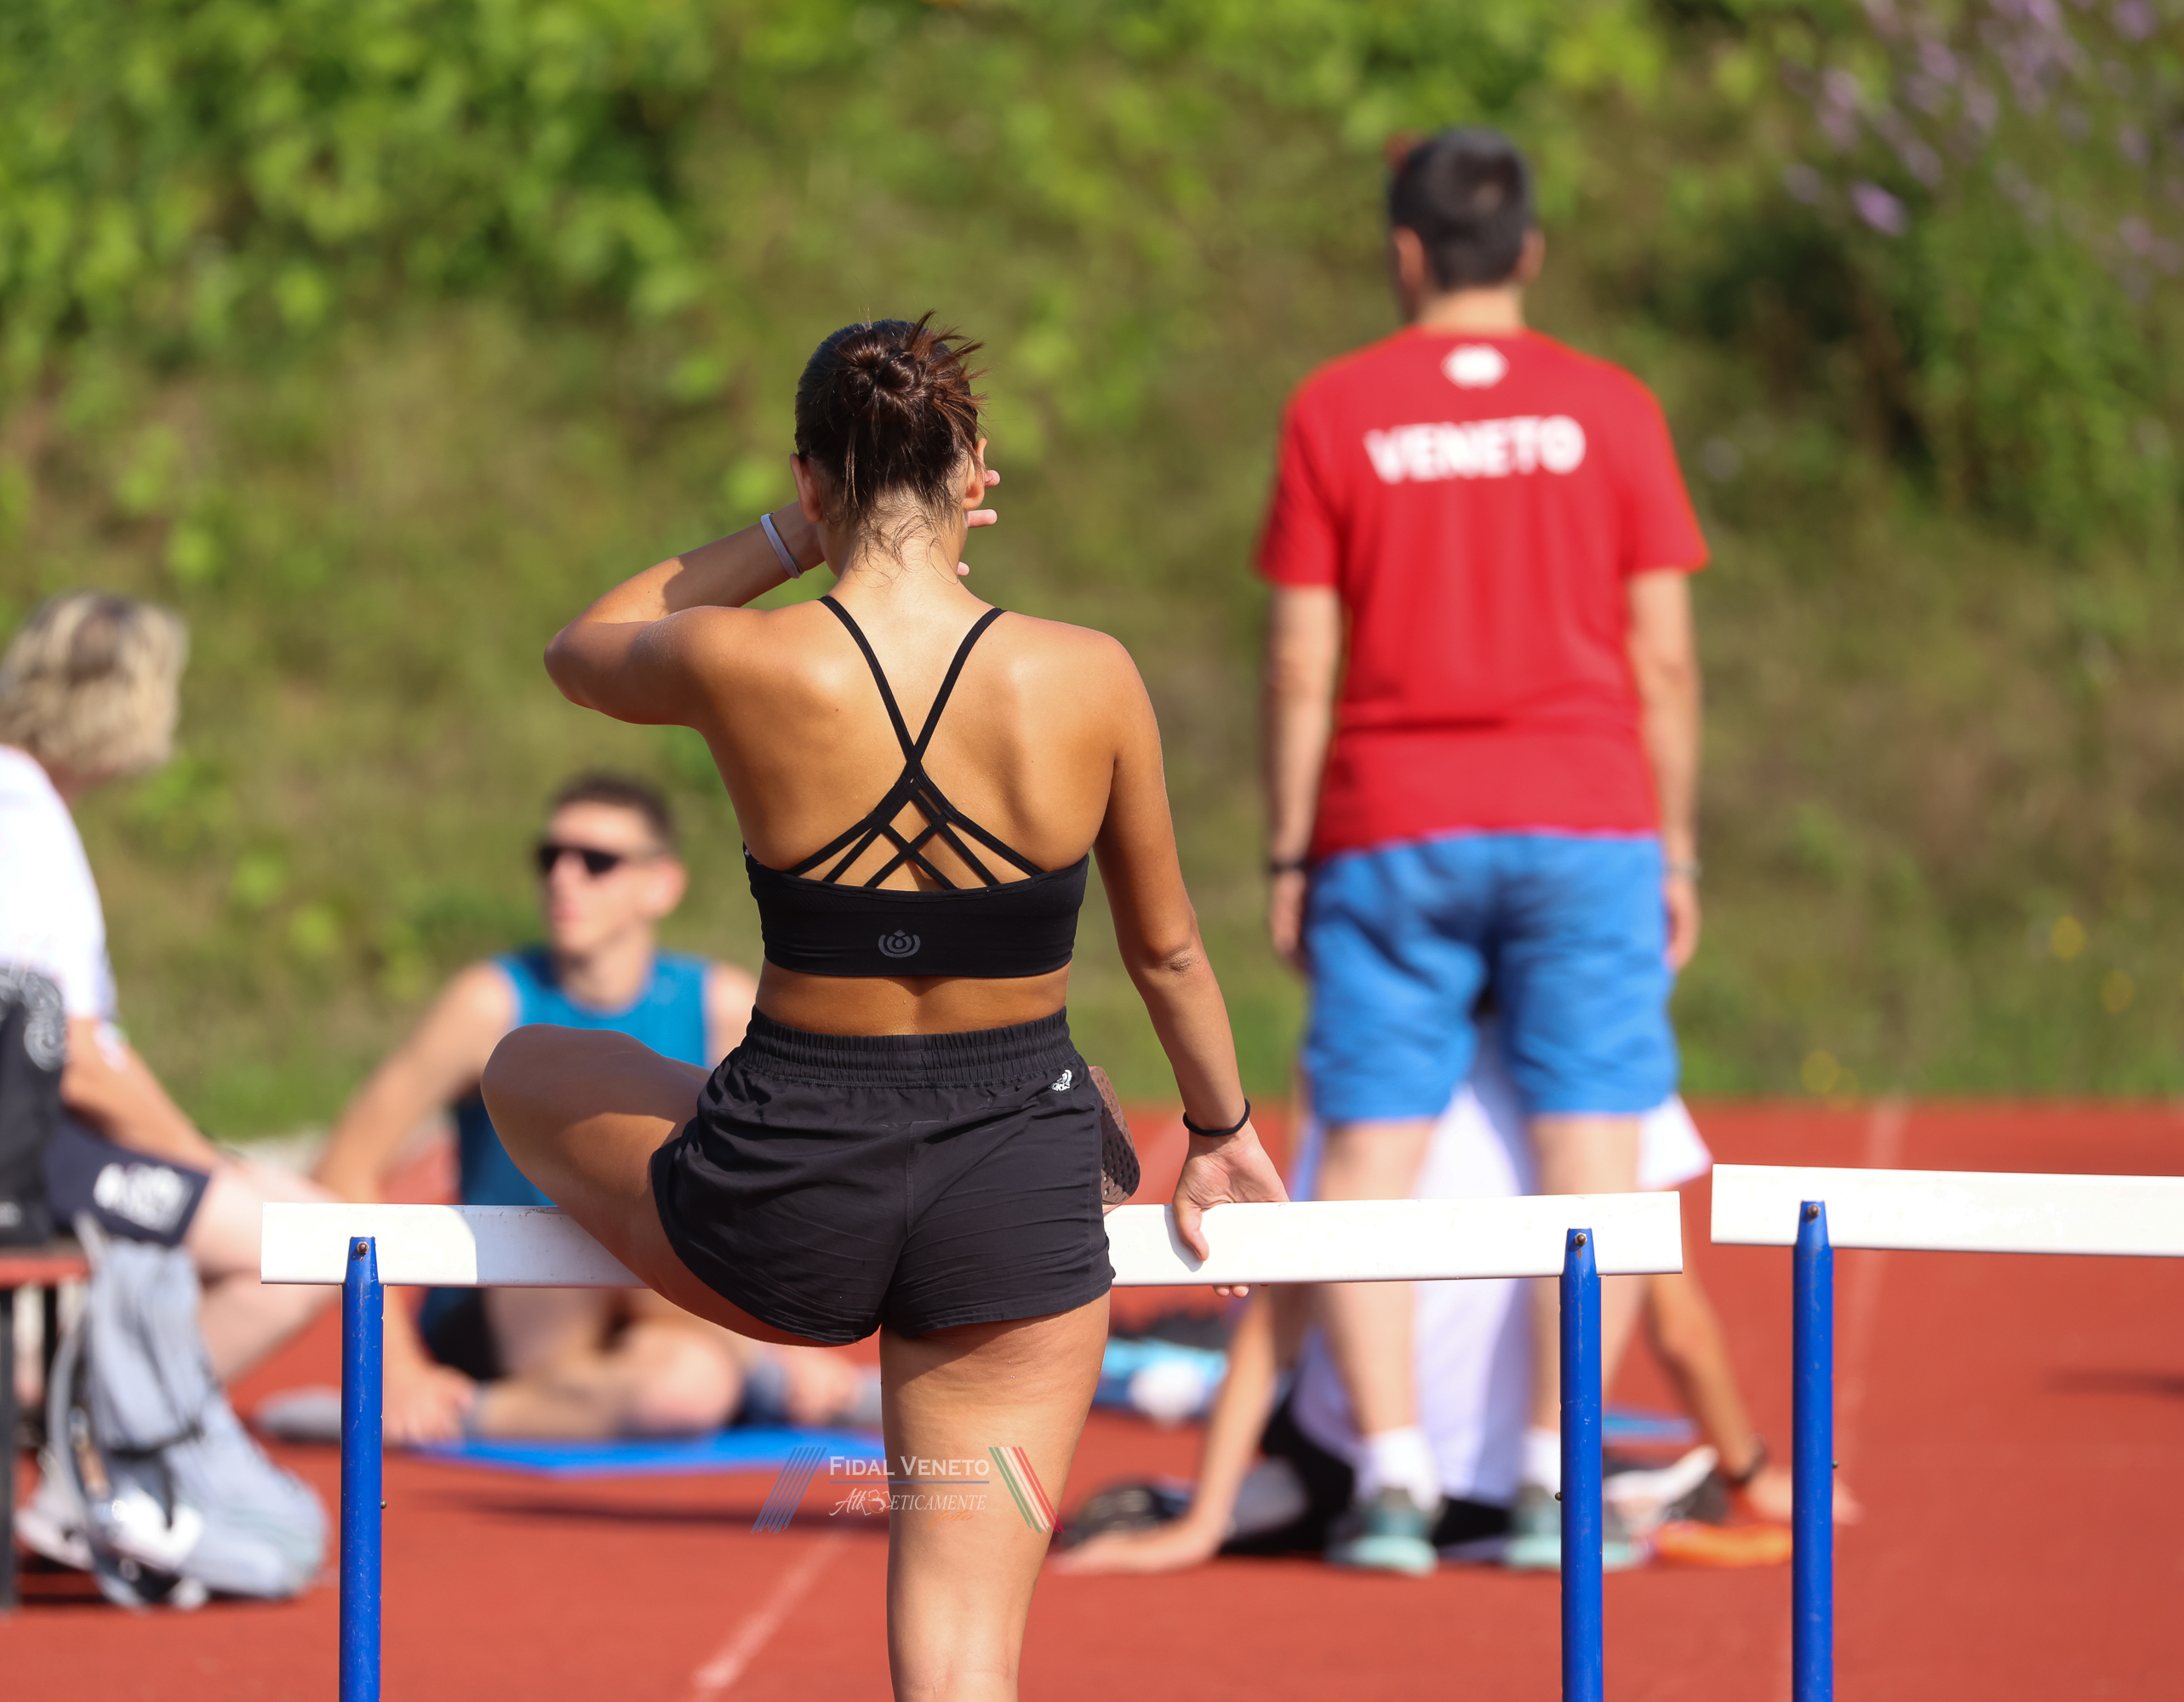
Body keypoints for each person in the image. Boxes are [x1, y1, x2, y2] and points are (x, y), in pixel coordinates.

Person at [478, 315, 1286, 1700]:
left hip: (782, 1191)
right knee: (964, 1656)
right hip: (1011, 1181)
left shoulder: (742, 659)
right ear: (974, 473)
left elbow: (582, 645)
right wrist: (1220, 1132)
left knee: (525, 1063)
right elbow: (1166, 956)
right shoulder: (1087, 672)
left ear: (810, 479)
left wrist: (787, 542)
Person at [1256, 127, 1708, 1572]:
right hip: (1585, 817)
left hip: (1393, 822)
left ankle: (1391, 1480)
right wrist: (1678, 851)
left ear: (1405, 253)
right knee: (1597, 1161)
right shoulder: (1613, 407)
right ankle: (1552, 1478)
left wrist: (1288, 852)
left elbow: (1300, 661)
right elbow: (1664, 660)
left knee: (1367, 1153)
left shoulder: (1335, 408)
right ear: (1531, 251)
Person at [1059, 1027, 1858, 1578]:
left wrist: (1203, 1521)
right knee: (1650, 1468)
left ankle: (1356, 1493)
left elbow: (1281, 1310)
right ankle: (1596, 1493)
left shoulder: (1369, 1081)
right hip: (1513, 1494)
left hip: (1349, 1473)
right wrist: (1750, 1473)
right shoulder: (1614, 1080)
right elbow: (1678, 1327)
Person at [312, 773, 877, 1442]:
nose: (564, 878)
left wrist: (788, 1330)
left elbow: (792, 1181)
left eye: (597, 861)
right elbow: (344, 1166)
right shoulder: (490, 1005)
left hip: (655, 1304)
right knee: (613, 1220)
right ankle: (764, 1379)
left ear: (660, 884)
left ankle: (483, 1415)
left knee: (687, 1389)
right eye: (550, 857)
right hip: (521, 1297)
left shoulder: (719, 1007)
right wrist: (393, 1367)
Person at [0, 592, 333, 1386]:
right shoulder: (12, 825)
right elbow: (72, 1059)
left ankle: (62, 1414)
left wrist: (200, 1159)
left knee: (298, 1218)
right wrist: (202, 1162)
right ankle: (91, 1441)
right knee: (308, 1251)